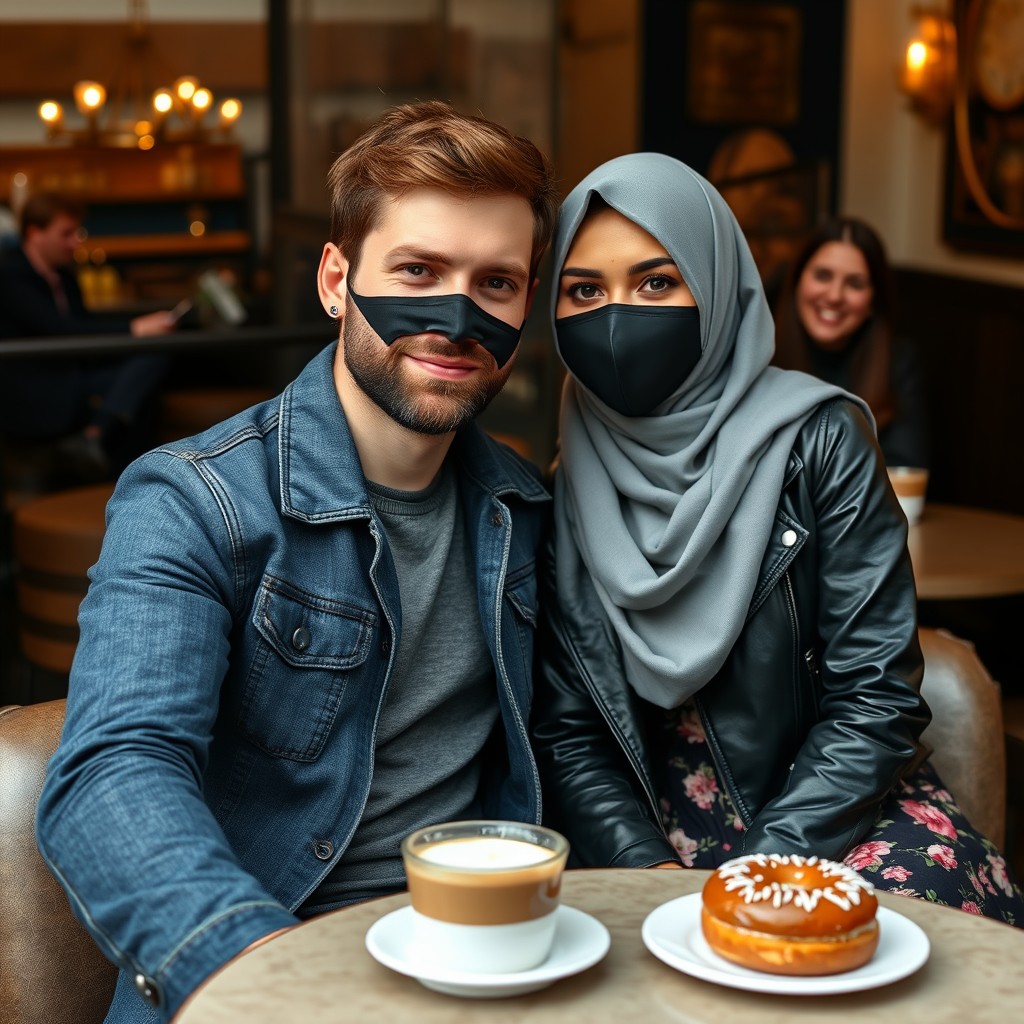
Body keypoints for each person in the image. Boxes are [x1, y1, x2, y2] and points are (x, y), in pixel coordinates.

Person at [36, 101, 557, 1022]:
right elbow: (114, 771)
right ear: (334, 280)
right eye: (418, 270)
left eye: (498, 283)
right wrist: (270, 976)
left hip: (483, 968)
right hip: (257, 967)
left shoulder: (524, 507)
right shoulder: (190, 500)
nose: (457, 316)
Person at [532, 153, 1023, 925]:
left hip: (828, 814)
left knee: (902, 930)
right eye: (584, 289)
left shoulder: (822, 441)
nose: (618, 315)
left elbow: (876, 697)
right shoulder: (562, 485)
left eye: (657, 282)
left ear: (717, 284)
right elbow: (568, 734)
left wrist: (763, 869)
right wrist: (647, 874)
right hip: (649, 837)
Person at [0, 191, 177, 480]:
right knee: (141, 391)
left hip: (71, 374)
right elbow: (61, 332)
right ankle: (121, 471)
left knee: (151, 364)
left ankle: (98, 440)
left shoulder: (64, 276)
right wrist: (135, 329)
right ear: (34, 232)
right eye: (66, 234)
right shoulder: (10, 274)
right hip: (35, 388)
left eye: (77, 233)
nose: (75, 242)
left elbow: (84, 327)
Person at [772, 216, 929, 469]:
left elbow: (904, 471)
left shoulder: (898, 362)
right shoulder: (759, 352)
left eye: (855, 283)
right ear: (798, 282)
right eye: (823, 276)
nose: (835, 296)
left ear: (873, 302)